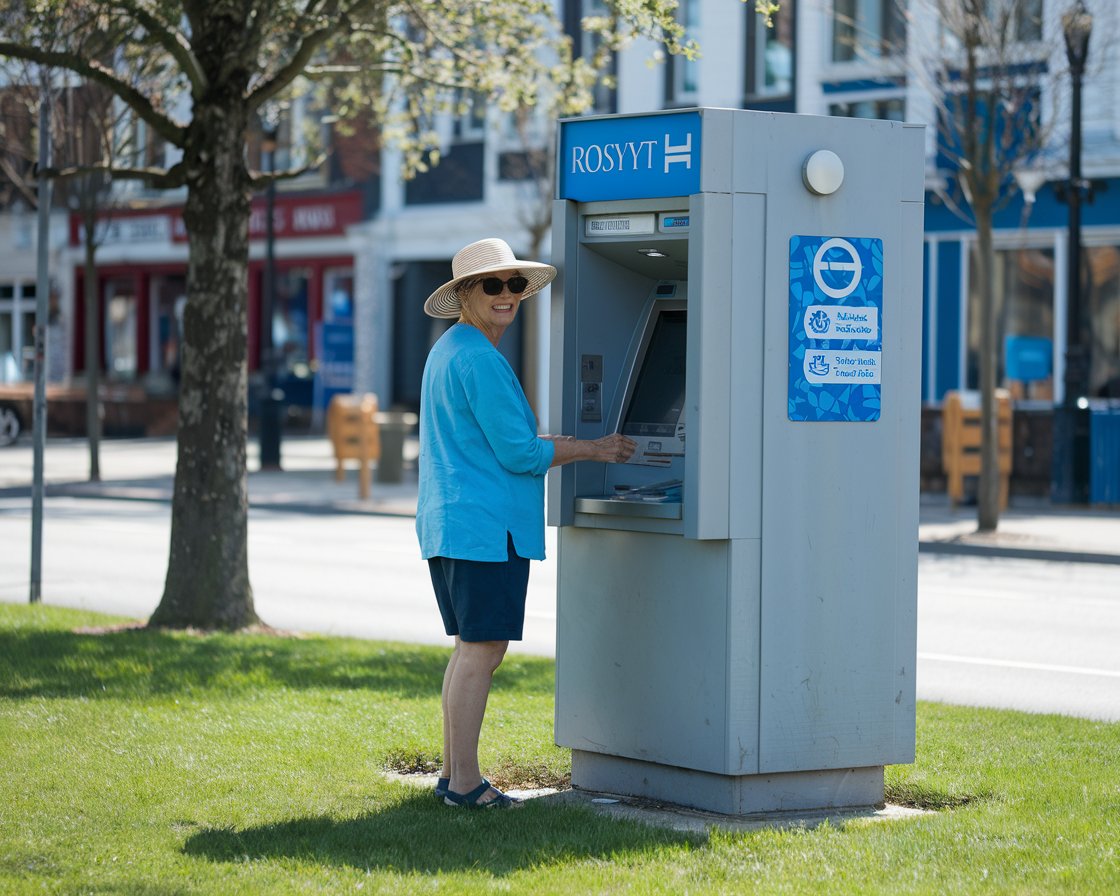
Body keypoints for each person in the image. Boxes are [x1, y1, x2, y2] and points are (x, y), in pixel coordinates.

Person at [416, 237, 636, 809]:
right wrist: (594, 449)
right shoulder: (479, 358)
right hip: (485, 528)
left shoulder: (449, 350)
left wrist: (560, 443)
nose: (507, 295)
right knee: (482, 650)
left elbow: (498, 444)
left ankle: (451, 776)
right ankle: (465, 785)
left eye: (515, 284)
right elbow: (517, 454)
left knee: (471, 648)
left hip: (455, 523)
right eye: (493, 285)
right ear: (465, 293)